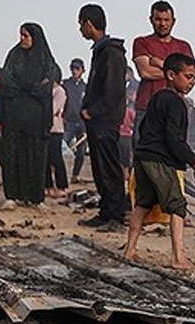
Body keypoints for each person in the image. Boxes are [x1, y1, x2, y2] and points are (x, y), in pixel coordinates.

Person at [123, 52, 195, 270]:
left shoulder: (157, 98)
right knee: (177, 206)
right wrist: (193, 159)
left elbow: (142, 128)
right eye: (188, 77)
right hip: (160, 160)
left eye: (194, 77)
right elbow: (173, 138)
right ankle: (178, 258)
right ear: (170, 75)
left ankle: (130, 250)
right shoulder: (176, 103)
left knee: (143, 203)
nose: (192, 82)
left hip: (143, 157)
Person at [0, 23, 61, 210]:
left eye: (26, 36)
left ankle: (36, 198)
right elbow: (7, 83)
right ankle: (11, 196)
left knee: (36, 158)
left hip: (36, 118)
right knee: (12, 156)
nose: (22, 39)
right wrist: (29, 86)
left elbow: (45, 87)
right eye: (21, 35)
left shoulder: (46, 61)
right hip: (14, 116)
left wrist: (28, 86)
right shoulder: (13, 56)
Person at [78, 5, 129, 230]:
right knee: (100, 168)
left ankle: (115, 215)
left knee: (109, 167)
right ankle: (106, 211)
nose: (80, 29)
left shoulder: (111, 53)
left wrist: (93, 110)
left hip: (105, 121)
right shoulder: (101, 51)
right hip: (98, 121)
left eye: (81, 24)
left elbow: (113, 90)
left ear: (89, 23)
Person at [131, 1, 194, 147]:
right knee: (143, 154)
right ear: (151, 20)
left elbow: (189, 79)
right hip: (146, 107)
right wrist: (176, 72)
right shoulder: (142, 42)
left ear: (173, 21)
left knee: (174, 153)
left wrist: (159, 63)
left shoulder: (183, 47)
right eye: (158, 19)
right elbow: (145, 71)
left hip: (174, 108)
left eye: (166, 20)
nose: (162, 24)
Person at [63, 58, 87, 182]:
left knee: (81, 151)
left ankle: (75, 175)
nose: (74, 71)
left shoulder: (86, 87)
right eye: (73, 68)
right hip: (68, 121)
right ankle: (56, 174)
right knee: (62, 147)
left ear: (82, 70)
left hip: (82, 123)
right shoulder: (66, 84)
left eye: (77, 68)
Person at [45, 79, 67, 198]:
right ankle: (48, 186)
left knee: (56, 157)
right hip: (45, 128)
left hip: (55, 128)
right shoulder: (46, 90)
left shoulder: (60, 91)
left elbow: (53, 109)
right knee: (46, 159)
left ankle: (61, 186)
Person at [119, 87, 135, 177]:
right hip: (123, 136)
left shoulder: (129, 112)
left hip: (125, 136)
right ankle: (123, 175)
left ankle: (124, 175)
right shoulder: (129, 112)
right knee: (123, 158)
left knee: (124, 158)